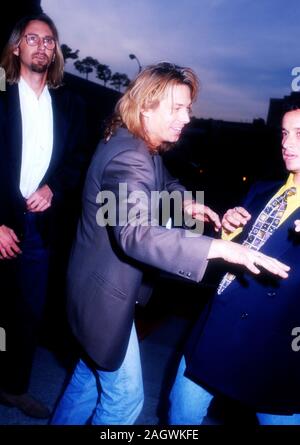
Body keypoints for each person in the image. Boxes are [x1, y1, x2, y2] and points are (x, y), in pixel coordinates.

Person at [51, 62, 289, 425]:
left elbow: (163, 182)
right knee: (125, 401)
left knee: (86, 381)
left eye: (188, 108)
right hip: (102, 297)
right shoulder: (132, 156)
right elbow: (135, 233)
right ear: (146, 105)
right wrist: (219, 248)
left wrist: (187, 202)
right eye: (176, 108)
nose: (186, 118)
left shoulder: (134, 143)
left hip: (92, 284)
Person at [169, 107, 300, 426]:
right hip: (218, 327)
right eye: (284, 133)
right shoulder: (261, 190)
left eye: (299, 134)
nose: (286, 143)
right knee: (180, 418)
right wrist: (228, 229)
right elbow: (235, 253)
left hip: (277, 349)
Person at [0, 13, 86, 418]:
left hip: (38, 228)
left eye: (48, 40)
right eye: (31, 38)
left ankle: (13, 387)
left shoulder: (69, 103)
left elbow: (76, 161)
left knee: (27, 312)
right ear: (16, 46)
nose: (41, 46)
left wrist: (54, 187)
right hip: (0, 217)